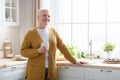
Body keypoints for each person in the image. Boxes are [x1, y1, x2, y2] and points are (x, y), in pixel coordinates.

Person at [21, 9, 87, 80]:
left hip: (51, 71)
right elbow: (23, 51)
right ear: (38, 17)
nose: (47, 18)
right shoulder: (30, 33)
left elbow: (63, 47)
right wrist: (37, 51)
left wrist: (74, 60)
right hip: (35, 71)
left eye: (48, 16)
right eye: (44, 15)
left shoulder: (53, 31)